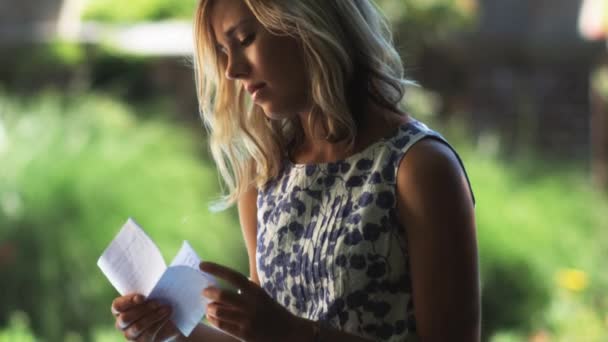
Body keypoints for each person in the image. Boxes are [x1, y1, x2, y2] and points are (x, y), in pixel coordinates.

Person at [109, 0, 480, 341]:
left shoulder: (419, 169)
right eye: (223, 51)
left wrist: (297, 334)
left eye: (245, 39)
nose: (233, 70)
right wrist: (172, 331)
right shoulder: (266, 170)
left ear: (310, 22)